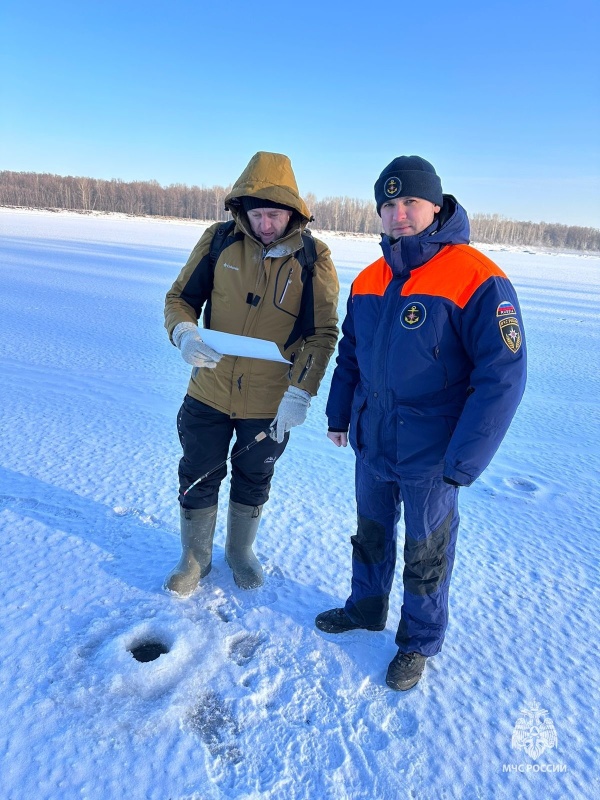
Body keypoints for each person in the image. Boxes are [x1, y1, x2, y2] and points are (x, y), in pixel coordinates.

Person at [317, 155, 526, 690]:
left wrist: (465, 460)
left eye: (409, 202)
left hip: (433, 453)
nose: (398, 214)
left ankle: (418, 641)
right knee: (371, 533)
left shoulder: (478, 277)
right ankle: (365, 608)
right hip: (373, 440)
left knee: (426, 550)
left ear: (436, 204)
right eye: (388, 205)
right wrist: (340, 415)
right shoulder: (369, 278)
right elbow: (351, 356)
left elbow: (502, 377)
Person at [164, 151, 339, 594]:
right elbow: (180, 299)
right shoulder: (218, 241)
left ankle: (239, 553)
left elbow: (321, 334)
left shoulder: (314, 258)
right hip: (208, 389)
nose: (266, 224)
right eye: (258, 213)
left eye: (275, 215)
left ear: (293, 214)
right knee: (199, 470)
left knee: (254, 475)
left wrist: (300, 394)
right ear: (243, 209)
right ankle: (194, 558)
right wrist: (185, 333)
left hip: (269, 401)